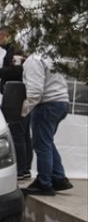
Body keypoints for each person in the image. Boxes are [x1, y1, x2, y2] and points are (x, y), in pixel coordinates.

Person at [20, 53, 73, 196]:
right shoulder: (50, 57)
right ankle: (58, 177)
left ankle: (44, 184)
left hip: (47, 104)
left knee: (41, 145)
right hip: (61, 102)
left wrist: (23, 111)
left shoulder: (33, 60)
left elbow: (35, 91)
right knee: (47, 142)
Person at [0, 27, 32, 179]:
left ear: (7, 36)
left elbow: (16, 71)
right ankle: (25, 169)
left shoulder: (15, 51)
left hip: (16, 96)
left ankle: (20, 170)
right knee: (23, 133)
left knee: (18, 132)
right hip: (18, 94)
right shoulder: (13, 50)